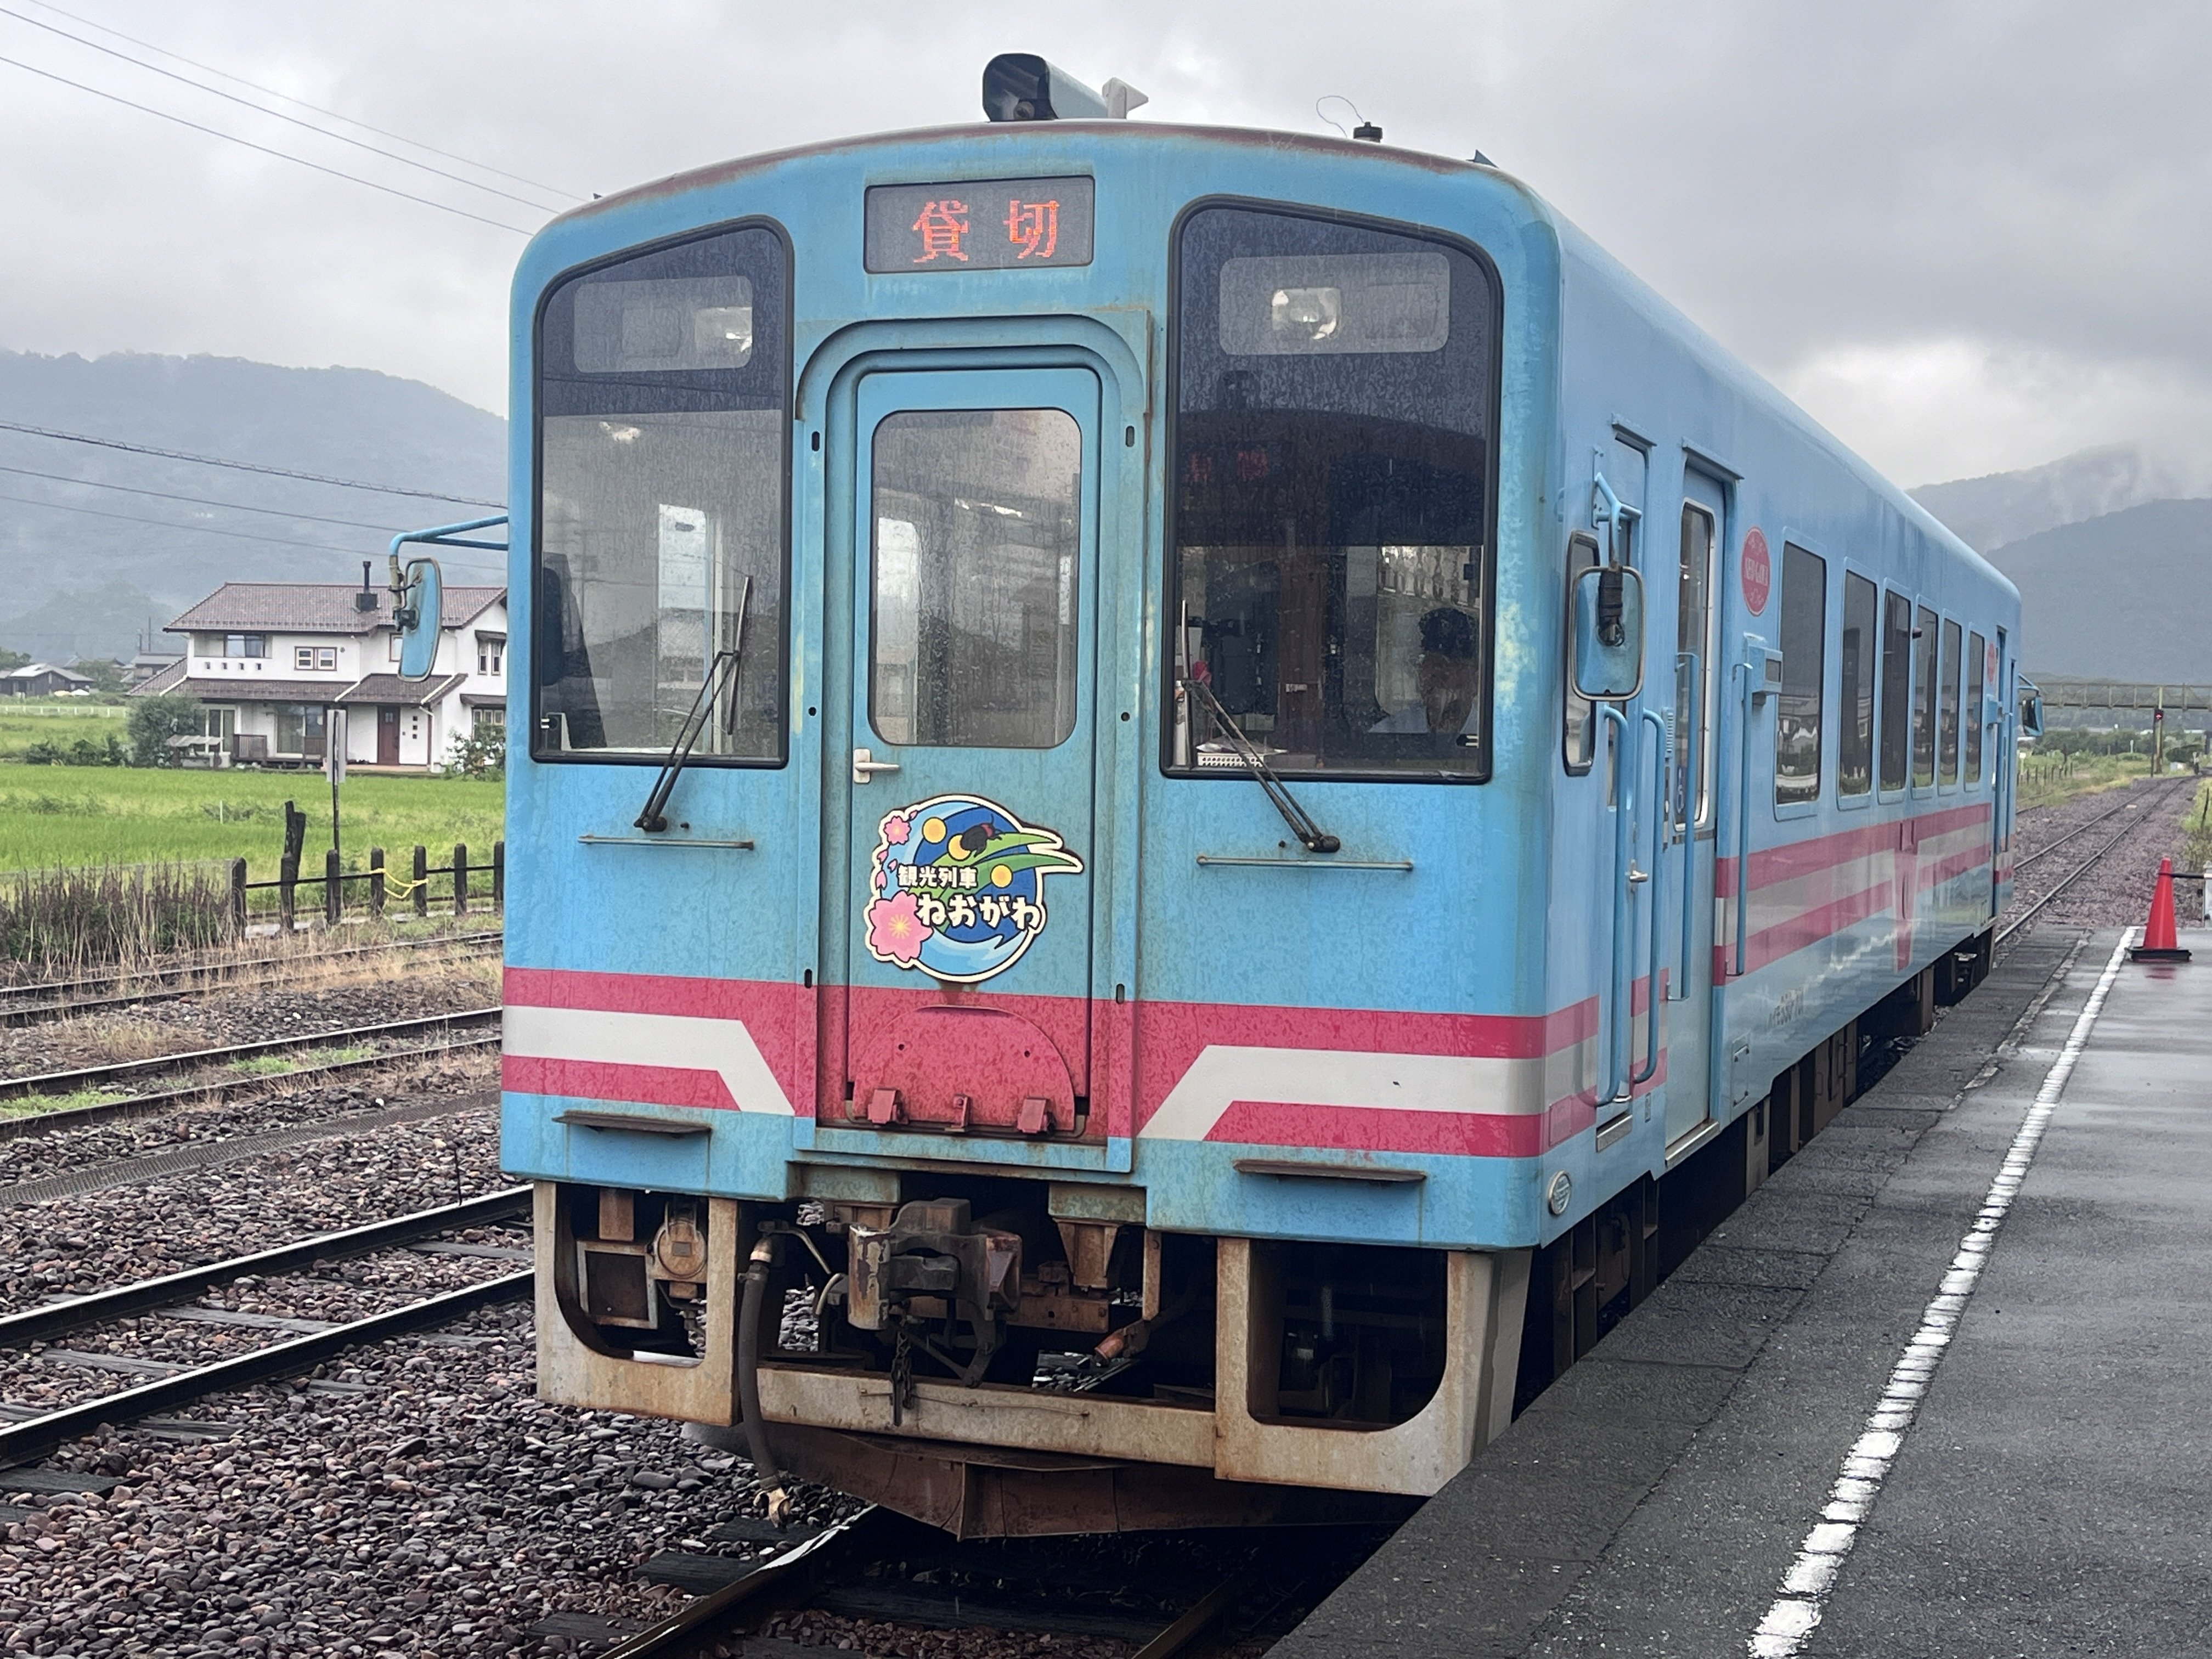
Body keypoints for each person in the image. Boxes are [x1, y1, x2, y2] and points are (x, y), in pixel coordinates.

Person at [1370, 606, 1479, 734]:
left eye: (1448, 673)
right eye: (1433, 675)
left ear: (1475, 682)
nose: (1441, 689)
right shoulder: (1391, 733)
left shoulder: (1495, 736)